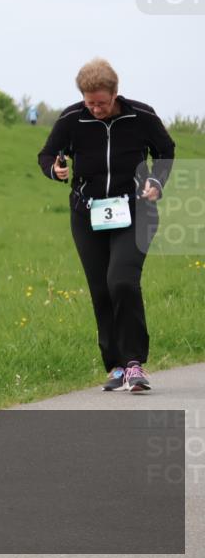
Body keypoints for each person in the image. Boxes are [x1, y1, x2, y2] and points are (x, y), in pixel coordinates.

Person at [38, 58, 175, 392]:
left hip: (137, 210)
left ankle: (133, 363)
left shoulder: (140, 116)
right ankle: (114, 365)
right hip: (88, 215)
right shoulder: (73, 118)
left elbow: (166, 150)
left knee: (122, 282)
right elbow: (47, 154)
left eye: (101, 102)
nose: (95, 108)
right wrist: (54, 170)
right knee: (101, 289)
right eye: (89, 102)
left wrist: (156, 182)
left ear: (115, 94)